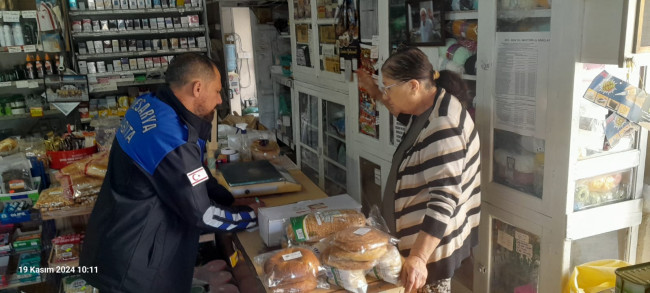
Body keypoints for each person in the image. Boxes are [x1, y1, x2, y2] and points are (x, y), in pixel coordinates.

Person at [80, 53, 262, 292]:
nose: (219, 100)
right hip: (133, 268)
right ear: (197, 88)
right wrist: (249, 216)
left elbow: (192, 171)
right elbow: (203, 214)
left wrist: (228, 200)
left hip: (119, 239)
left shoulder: (152, 105)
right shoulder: (169, 140)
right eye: (217, 91)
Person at [357, 47, 480, 293]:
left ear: (414, 85)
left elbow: (443, 201)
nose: (386, 95)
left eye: (388, 87)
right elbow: (407, 118)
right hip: (415, 249)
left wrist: (419, 258)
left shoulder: (443, 125)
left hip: (429, 256)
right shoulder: (429, 104)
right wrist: (376, 94)